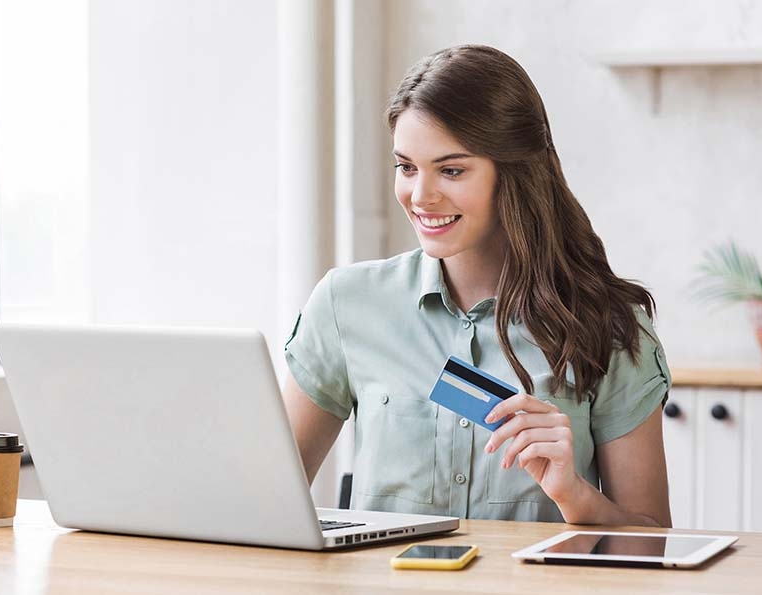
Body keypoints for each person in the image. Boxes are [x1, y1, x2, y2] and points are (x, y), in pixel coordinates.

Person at [282, 44, 672, 526]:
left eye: (451, 170)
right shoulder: (347, 304)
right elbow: (266, 499)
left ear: (514, 172)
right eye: (406, 167)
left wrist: (572, 494)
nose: (420, 196)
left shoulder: (608, 325)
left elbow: (653, 542)